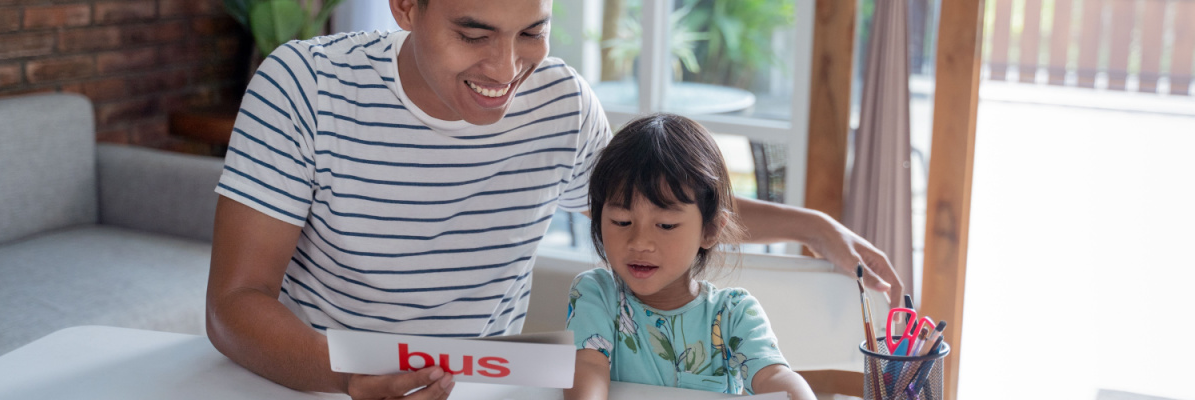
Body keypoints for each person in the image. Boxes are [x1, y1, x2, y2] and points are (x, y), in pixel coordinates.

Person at [206, 0, 902, 398]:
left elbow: (658, 210)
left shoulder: (560, 103)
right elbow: (234, 307)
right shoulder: (304, 85)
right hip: (313, 382)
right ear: (406, 7)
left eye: (532, 31)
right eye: (473, 33)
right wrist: (354, 376)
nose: (506, 71)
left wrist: (811, 226)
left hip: (487, 387)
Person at [562, 114, 817, 399]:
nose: (640, 242)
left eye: (666, 225)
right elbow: (587, 368)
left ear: (709, 230)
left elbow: (774, 376)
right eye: (622, 221)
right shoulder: (596, 294)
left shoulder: (733, 314)